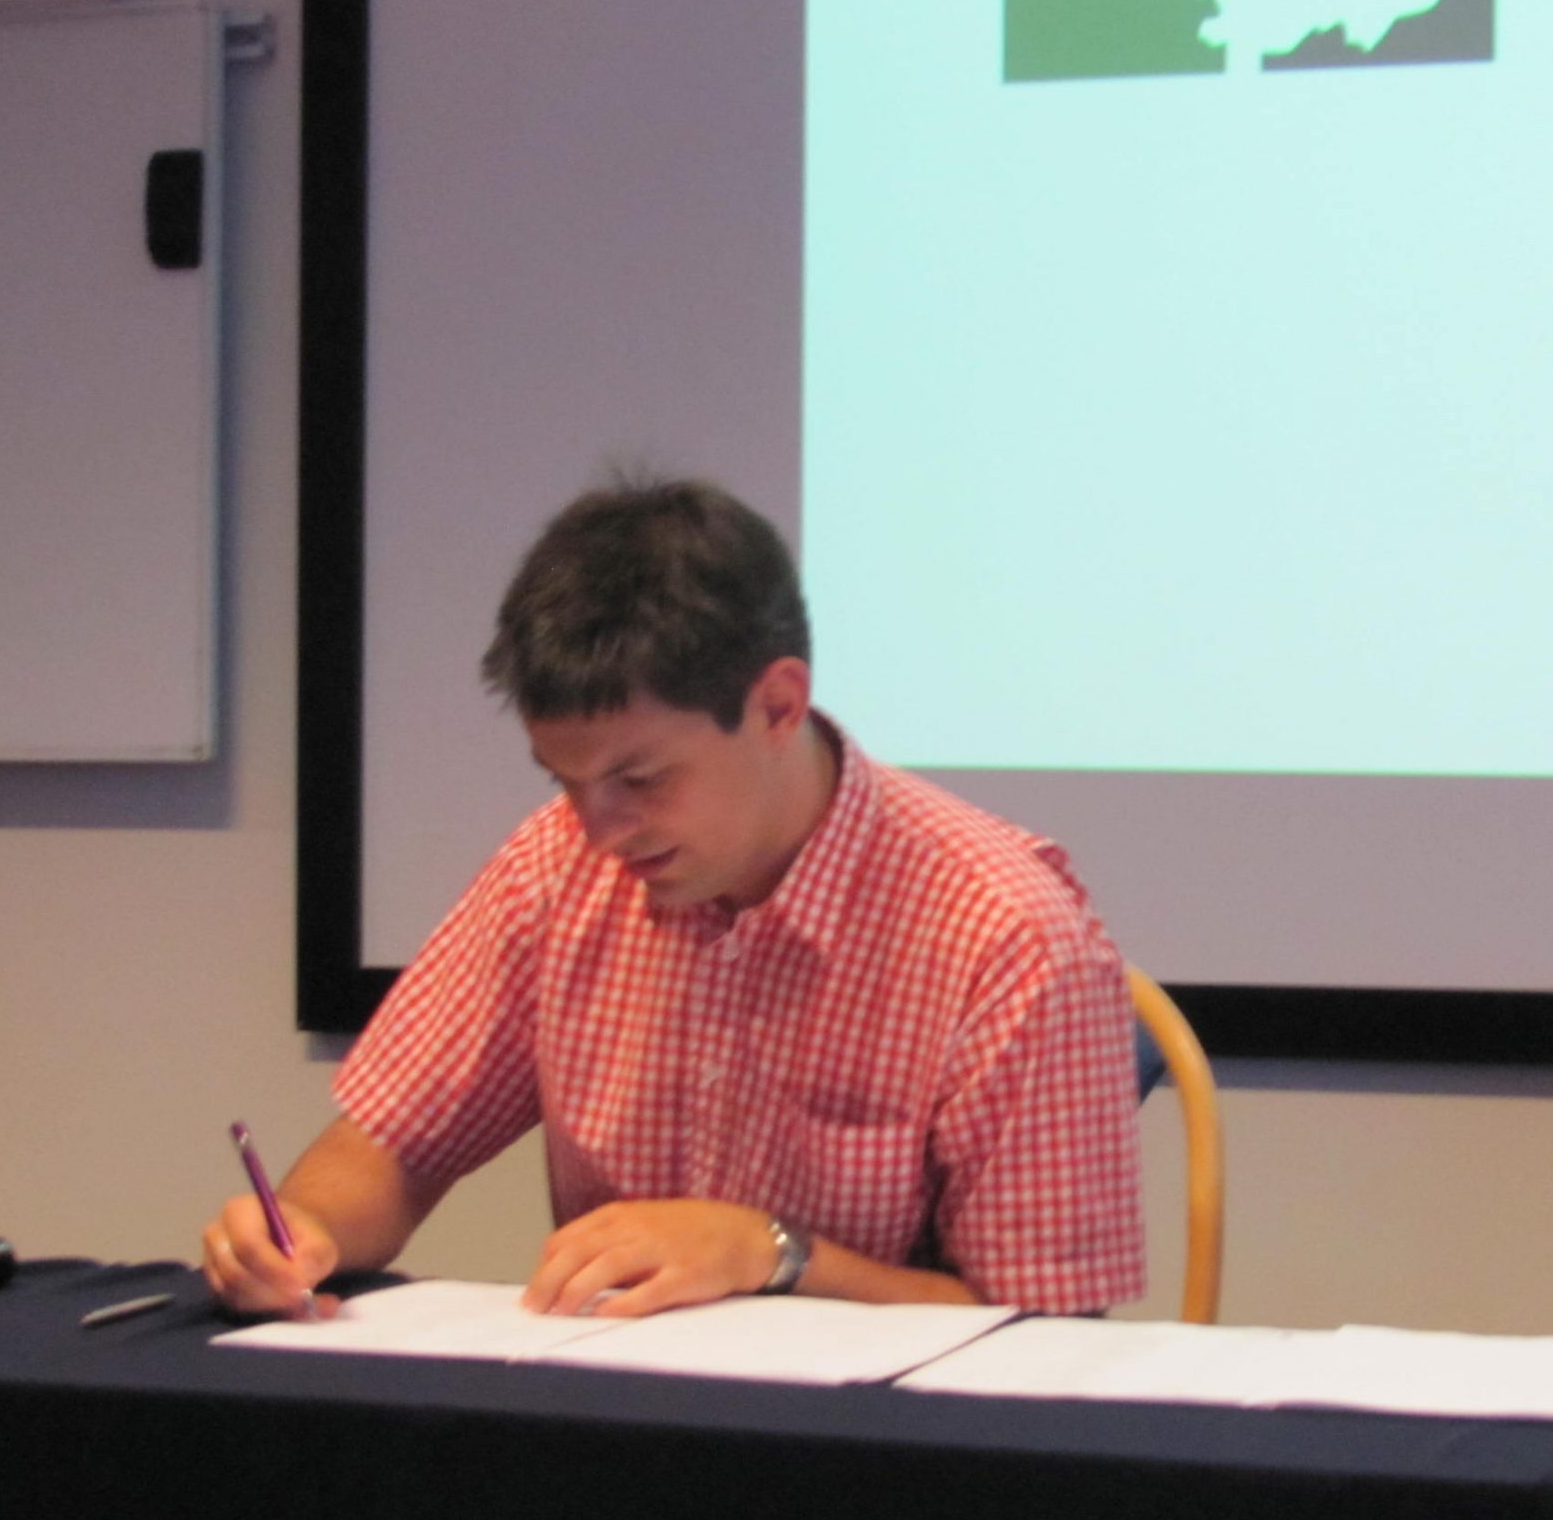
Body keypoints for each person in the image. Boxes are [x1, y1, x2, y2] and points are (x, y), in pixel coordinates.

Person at [204, 478, 1143, 1319]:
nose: (599, 831)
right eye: (565, 782)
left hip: (880, 1444)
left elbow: (1043, 1335)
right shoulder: (555, 866)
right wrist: (302, 1230)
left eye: (641, 779)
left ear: (778, 706)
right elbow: (398, 1142)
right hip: (622, 1419)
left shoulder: (1007, 934)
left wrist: (771, 1255)